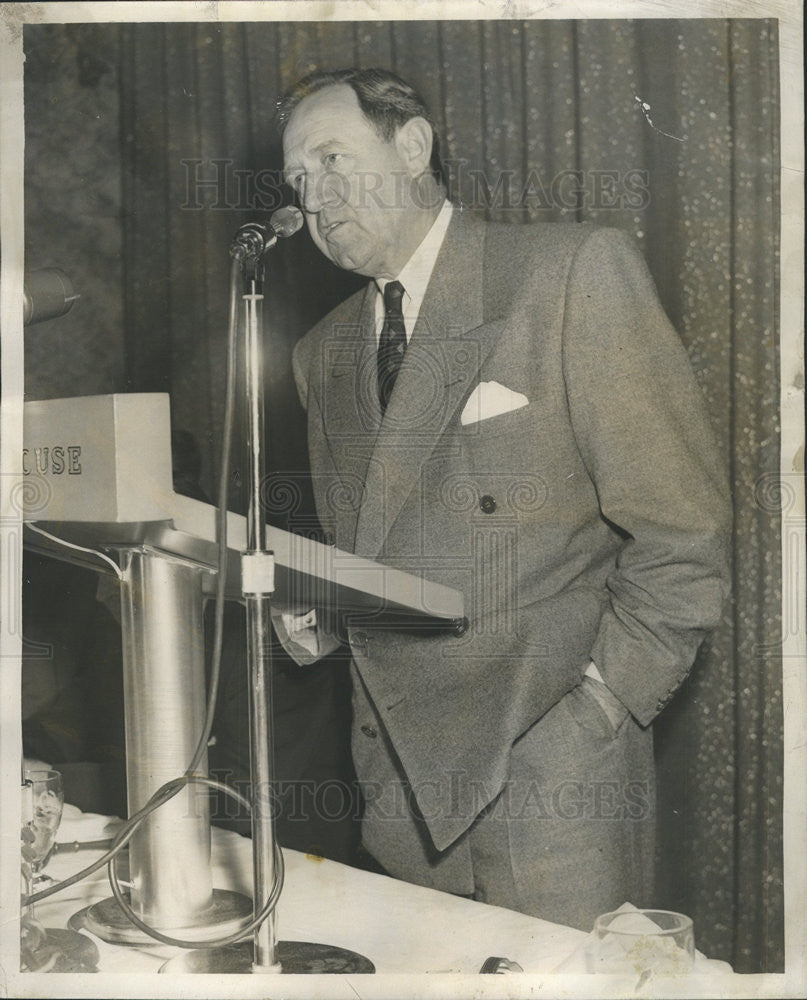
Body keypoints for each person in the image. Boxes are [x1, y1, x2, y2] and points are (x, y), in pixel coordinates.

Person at [271, 67, 731, 930]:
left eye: (332, 159)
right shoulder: (319, 354)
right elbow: (377, 558)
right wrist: (313, 611)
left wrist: (598, 709)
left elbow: (683, 533)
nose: (314, 199)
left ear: (413, 144)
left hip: (551, 784)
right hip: (400, 791)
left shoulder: (564, 274)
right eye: (296, 178)